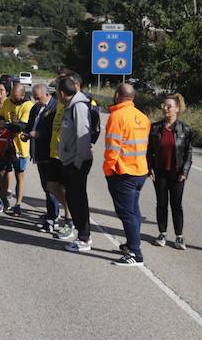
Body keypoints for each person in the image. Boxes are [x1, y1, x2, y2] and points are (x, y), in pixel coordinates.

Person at [103, 83, 151, 267]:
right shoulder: (142, 117)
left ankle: (135, 253)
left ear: (117, 95)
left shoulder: (117, 116)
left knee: (126, 213)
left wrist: (108, 170)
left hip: (123, 172)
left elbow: (112, 149)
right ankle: (131, 244)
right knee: (134, 211)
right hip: (139, 171)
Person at [146, 94, 194, 250]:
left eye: (169, 106)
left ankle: (179, 236)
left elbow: (188, 153)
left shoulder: (185, 129)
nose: (165, 109)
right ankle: (162, 233)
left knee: (176, 204)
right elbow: (149, 151)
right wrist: (149, 168)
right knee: (161, 204)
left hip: (177, 174)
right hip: (160, 172)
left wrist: (184, 172)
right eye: (164, 106)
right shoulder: (155, 128)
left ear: (177, 109)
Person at [57, 76, 97, 253]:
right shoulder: (70, 105)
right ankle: (83, 235)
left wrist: (78, 163)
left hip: (77, 161)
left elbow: (83, 136)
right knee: (73, 199)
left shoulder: (78, 107)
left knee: (78, 200)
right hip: (71, 159)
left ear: (61, 92)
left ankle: (84, 238)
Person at [25, 83, 62, 232]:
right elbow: (30, 126)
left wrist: (39, 134)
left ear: (47, 95)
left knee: (51, 187)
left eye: (38, 98)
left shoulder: (56, 108)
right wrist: (26, 134)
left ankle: (53, 218)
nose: (36, 100)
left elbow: (56, 130)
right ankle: (51, 212)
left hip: (50, 153)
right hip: (38, 153)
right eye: (34, 97)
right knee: (46, 186)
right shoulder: (35, 108)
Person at [0, 83, 33, 215]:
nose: (13, 99)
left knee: (19, 175)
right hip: (6, 143)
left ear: (22, 95)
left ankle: (18, 204)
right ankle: (3, 200)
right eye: (12, 96)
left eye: (16, 97)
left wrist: (7, 125)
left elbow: (21, 126)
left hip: (20, 146)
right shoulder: (7, 102)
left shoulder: (28, 105)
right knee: (2, 172)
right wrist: (5, 124)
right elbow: (0, 117)